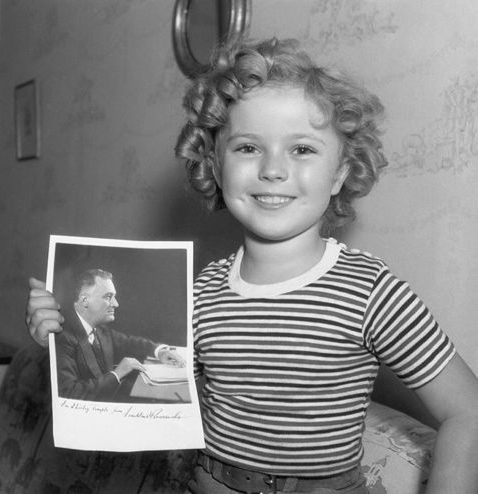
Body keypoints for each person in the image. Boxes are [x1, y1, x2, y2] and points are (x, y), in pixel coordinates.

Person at [26, 38, 478, 493]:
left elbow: (467, 410)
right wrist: (61, 333)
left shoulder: (371, 291)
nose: (273, 169)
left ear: (340, 172)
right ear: (216, 168)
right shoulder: (200, 293)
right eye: (247, 148)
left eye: (302, 149)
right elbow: (148, 402)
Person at [52, 268, 184, 402]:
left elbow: (129, 342)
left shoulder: (101, 330)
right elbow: (69, 393)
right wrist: (117, 374)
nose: (116, 304)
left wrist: (159, 351)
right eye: (108, 297)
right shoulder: (60, 336)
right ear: (85, 301)